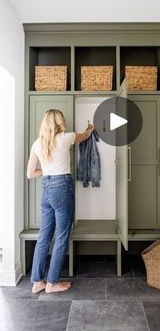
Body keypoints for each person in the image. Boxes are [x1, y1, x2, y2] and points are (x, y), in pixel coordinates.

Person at [27, 109, 94, 294]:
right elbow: (85, 136)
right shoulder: (67, 137)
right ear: (57, 123)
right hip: (62, 187)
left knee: (44, 236)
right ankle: (51, 283)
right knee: (62, 235)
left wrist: (47, 171)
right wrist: (90, 128)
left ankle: (36, 282)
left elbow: (30, 173)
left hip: (46, 188)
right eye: (62, 118)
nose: (64, 120)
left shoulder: (37, 143)